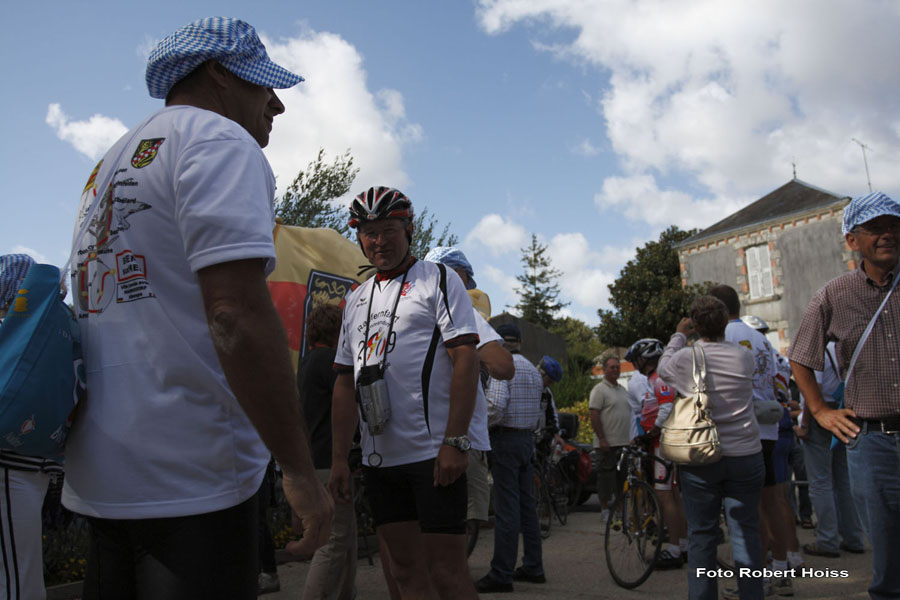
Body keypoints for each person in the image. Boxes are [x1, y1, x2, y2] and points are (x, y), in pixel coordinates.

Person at [64, 18, 332, 597]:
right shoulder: (217, 140)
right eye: (264, 84)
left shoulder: (108, 164)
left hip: (104, 474)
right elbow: (234, 314)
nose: (277, 106)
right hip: (195, 474)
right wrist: (299, 470)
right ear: (218, 74)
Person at [328, 187, 480, 600]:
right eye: (369, 232)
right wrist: (339, 458)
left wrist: (455, 440)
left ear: (408, 229)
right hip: (381, 458)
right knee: (405, 571)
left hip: (432, 454)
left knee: (447, 573)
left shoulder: (439, 278)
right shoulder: (355, 298)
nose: (379, 241)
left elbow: (466, 358)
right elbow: (344, 382)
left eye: (389, 230)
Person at [790, 191, 900, 600]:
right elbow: (801, 357)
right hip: (871, 441)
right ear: (852, 241)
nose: (887, 234)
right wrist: (818, 410)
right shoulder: (834, 295)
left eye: (893, 225)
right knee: (887, 556)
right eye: (874, 227)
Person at [657, 296, 764, 600]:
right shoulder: (744, 357)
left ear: (695, 325)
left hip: (701, 453)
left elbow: (664, 367)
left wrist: (678, 334)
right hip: (745, 452)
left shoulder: (685, 357)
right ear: (725, 322)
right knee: (745, 532)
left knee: (702, 535)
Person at [709, 285, 797, 595]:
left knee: (748, 508)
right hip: (770, 426)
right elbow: (779, 376)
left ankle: (754, 580)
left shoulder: (724, 338)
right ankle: (783, 570)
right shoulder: (759, 337)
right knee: (774, 501)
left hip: (744, 431)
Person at [424, 246, 514, 537]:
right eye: (466, 280)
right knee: (462, 523)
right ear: (458, 275)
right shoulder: (463, 313)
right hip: (462, 439)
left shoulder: (412, 314)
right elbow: (503, 366)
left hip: (416, 438)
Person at [0, 254, 66, 600]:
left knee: (16, 578)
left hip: (11, 467)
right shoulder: (59, 331)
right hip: (38, 464)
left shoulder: (13, 341)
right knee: (19, 572)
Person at [476, 322, 546, 594]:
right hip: (527, 439)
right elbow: (539, 412)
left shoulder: (502, 368)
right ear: (520, 342)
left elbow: (495, 404)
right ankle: (533, 566)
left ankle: (502, 573)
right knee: (527, 507)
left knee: (507, 509)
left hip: (504, 439)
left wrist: (481, 427)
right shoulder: (533, 371)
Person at [300, 302, 358, 600]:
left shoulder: (308, 361)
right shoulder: (329, 363)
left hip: (316, 461)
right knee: (333, 543)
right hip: (331, 462)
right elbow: (349, 404)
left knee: (347, 540)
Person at [794, 341, 866, 559]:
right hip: (844, 411)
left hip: (821, 416)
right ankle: (853, 537)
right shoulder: (842, 346)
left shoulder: (817, 350)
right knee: (844, 480)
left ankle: (828, 540)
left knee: (820, 482)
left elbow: (811, 392)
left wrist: (805, 424)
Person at [624, 338, 688, 569]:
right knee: (673, 493)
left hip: (662, 442)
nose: (634, 365)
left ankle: (673, 550)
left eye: (636, 360)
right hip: (662, 441)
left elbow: (667, 406)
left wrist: (652, 431)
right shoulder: (655, 378)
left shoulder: (659, 377)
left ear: (646, 358)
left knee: (665, 495)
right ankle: (682, 543)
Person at [588, 355, 632, 518]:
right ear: (605, 370)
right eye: (612, 367)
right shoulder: (599, 390)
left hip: (624, 443)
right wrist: (602, 438)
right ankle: (605, 509)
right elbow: (594, 415)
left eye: (617, 367)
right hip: (606, 444)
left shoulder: (622, 390)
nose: (615, 370)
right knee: (606, 479)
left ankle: (619, 508)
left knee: (622, 479)